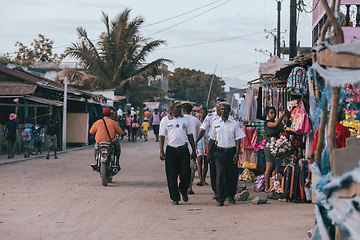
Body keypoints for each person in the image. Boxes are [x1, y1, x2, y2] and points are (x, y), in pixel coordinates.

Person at [207, 102, 245, 206]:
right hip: (219, 153)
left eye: (225, 109)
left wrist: (237, 153)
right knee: (219, 175)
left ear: (229, 110)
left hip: (231, 153)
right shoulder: (215, 123)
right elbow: (212, 140)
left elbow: (238, 139)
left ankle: (231, 196)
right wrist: (209, 154)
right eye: (221, 109)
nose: (223, 111)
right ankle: (220, 198)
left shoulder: (235, 123)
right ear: (219, 110)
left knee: (231, 176)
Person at [159, 100, 197, 205]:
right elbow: (161, 137)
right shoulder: (165, 120)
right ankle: (175, 197)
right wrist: (161, 151)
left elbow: (190, 135)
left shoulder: (185, 119)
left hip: (183, 149)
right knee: (171, 175)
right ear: (172, 108)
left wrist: (193, 150)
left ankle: (183, 190)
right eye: (177, 107)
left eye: (180, 107)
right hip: (171, 150)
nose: (180, 109)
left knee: (186, 173)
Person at [305, 109, 350, 188]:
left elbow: (313, 156)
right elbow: (345, 153)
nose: (344, 112)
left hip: (321, 172)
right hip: (337, 170)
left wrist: (309, 178)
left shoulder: (319, 131)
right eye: (341, 111)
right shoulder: (343, 130)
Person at [195, 97, 228, 197]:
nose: (220, 106)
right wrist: (196, 141)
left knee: (225, 170)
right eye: (218, 104)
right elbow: (203, 130)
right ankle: (216, 191)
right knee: (214, 169)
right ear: (215, 105)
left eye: (222, 104)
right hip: (214, 146)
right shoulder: (210, 117)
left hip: (226, 145)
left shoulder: (229, 118)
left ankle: (225, 190)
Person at [264, 107, 288, 192]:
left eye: (274, 113)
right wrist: (282, 115)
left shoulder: (278, 123)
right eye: (271, 113)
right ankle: (266, 187)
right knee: (269, 167)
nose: (273, 114)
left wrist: (286, 117)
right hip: (269, 144)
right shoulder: (267, 123)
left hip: (277, 145)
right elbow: (274, 125)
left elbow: (284, 128)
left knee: (276, 166)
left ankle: (274, 185)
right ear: (267, 114)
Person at [182, 103, 201, 195]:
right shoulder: (196, 120)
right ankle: (189, 187)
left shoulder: (180, 119)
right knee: (191, 169)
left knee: (181, 168)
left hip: (181, 149)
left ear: (183, 110)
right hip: (192, 149)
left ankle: (182, 185)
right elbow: (198, 134)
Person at [196, 106, 210, 186]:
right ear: (199, 114)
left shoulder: (208, 123)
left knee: (206, 162)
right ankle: (200, 179)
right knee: (199, 162)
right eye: (201, 112)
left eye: (204, 113)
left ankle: (204, 179)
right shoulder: (198, 123)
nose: (203, 114)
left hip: (207, 145)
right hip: (199, 145)